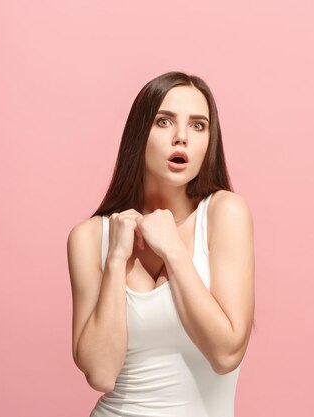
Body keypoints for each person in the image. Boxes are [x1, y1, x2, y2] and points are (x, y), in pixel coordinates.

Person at [67, 71, 255, 417]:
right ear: (139, 135)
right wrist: (116, 261)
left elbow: (226, 354)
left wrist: (173, 250)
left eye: (198, 126)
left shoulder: (225, 213)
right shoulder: (91, 237)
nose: (181, 137)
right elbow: (101, 373)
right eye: (164, 122)